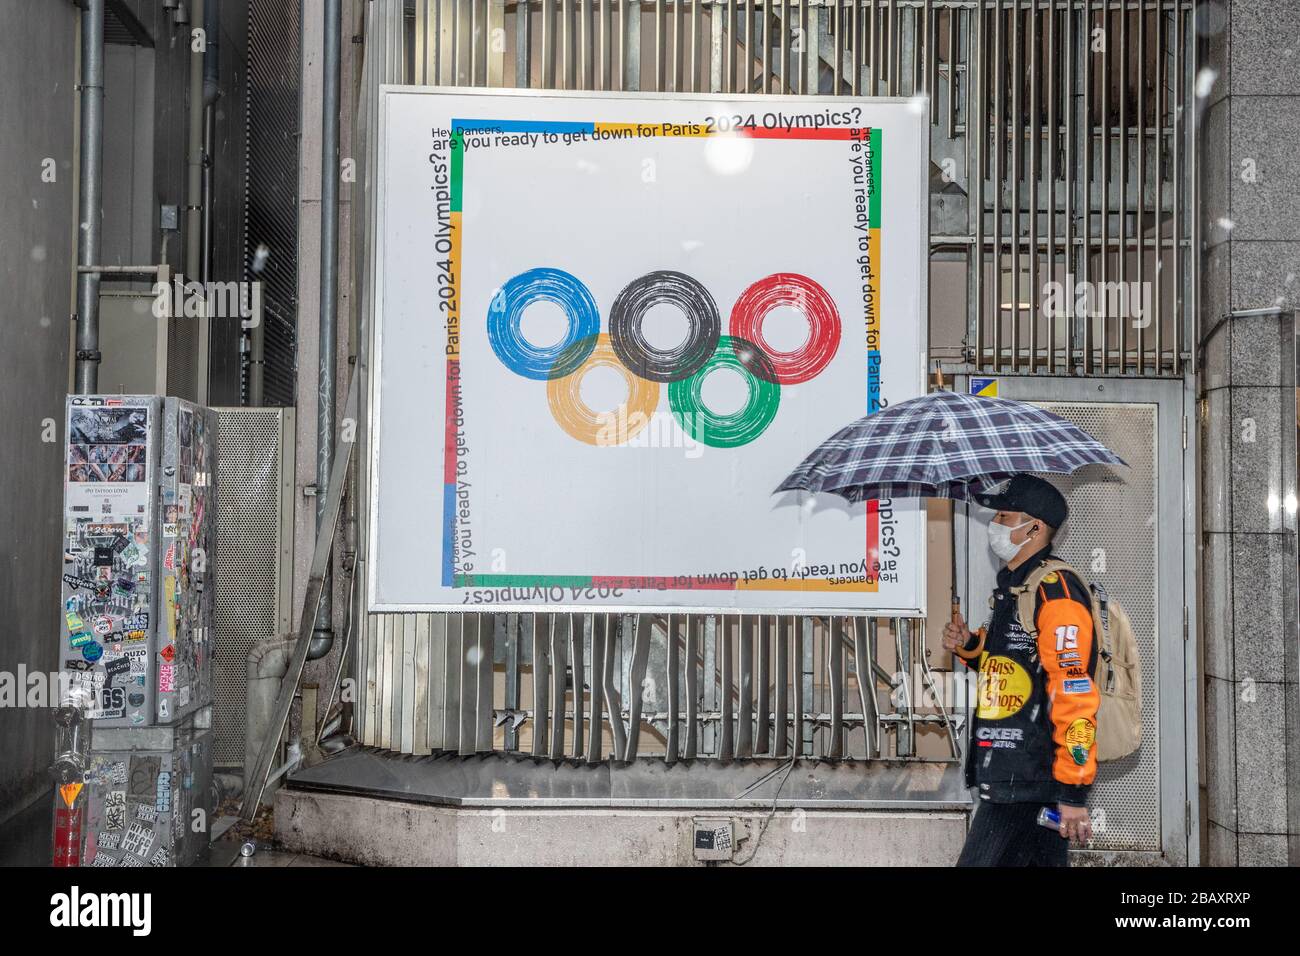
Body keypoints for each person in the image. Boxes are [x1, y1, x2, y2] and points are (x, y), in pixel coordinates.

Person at [943, 473, 1100, 866]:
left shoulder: (1056, 591)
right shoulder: (1016, 587)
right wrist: (969, 645)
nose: (996, 525)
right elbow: (1012, 666)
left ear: (1035, 528)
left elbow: (1073, 691)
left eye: (1006, 517)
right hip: (1012, 771)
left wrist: (1072, 792)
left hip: (1031, 776)